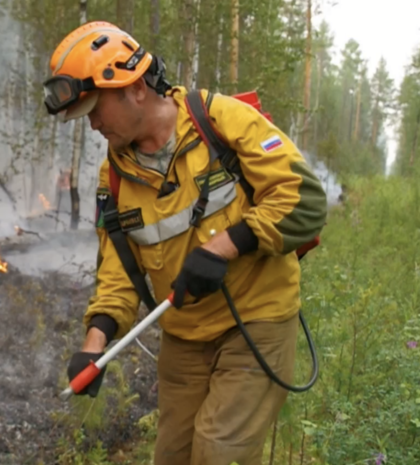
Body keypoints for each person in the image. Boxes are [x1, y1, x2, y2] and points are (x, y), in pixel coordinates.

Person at [43, 21, 328, 465]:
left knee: (218, 454)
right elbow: (117, 273)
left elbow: (304, 199)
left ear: (135, 88)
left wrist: (226, 246)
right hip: (184, 338)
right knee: (173, 457)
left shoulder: (220, 120)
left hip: (257, 319)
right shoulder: (113, 178)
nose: (93, 124)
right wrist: (93, 348)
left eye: (96, 108)